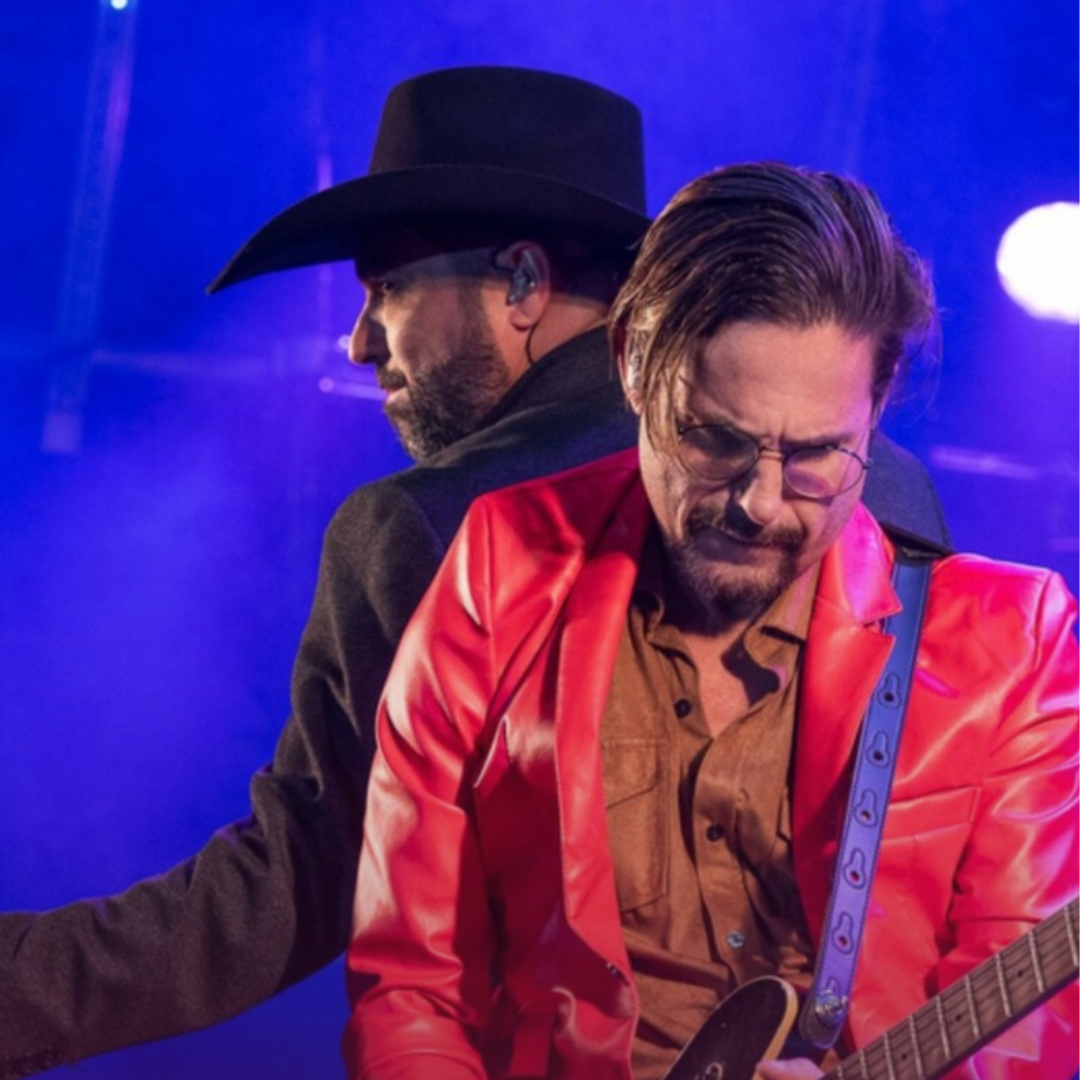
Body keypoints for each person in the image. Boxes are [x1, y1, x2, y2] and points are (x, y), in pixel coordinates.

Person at [0, 72, 949, 1077]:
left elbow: (298, 883)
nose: (360, 341)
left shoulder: (430, 525)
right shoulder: (893, 492)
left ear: (524, 284)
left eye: (386, 289)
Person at [343, 162, 1078, 1080]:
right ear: (632, 367)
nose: (760, 503)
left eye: (816, 455)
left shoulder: (1012, 639)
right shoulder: (502, 565)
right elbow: (413, 982)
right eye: (715, 440)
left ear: (877, 405)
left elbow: (1024, 1037)